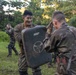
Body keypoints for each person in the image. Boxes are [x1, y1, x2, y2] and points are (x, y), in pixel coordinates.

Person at [43, 11, 76, 75]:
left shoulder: (57, 33)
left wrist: (48, 33)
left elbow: (47, 47)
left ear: (55, 22)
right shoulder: (74, 29)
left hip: (65, 67)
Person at [14, 10, 42, 75]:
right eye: (28, 18)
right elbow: (19, 39)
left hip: (34, 51)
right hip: (23, 52)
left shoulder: (35, 27)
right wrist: (26, 32)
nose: (29, 20)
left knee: (36, 69)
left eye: (31, 18)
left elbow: (40, 36)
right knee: (22, 69)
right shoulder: (18, 27)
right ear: (23, 18)